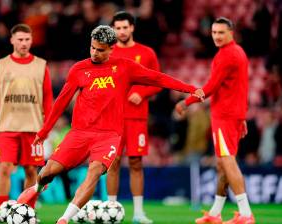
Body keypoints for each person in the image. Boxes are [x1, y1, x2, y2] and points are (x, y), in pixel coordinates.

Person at [16, 25, 204, 224]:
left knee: (94, 172)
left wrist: (190, 89)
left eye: (101, 50)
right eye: (93, 48)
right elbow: (61, 102)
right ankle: (37, 188)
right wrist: (45, 130)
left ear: (111, 49)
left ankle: (64, 219)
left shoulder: (125, 67)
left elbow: (157, 78)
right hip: (79, 132)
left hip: (108, 135)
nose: (95, 53)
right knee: (48, 172)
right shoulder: (79, 69)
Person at [175, 17, 255, 224]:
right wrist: (242, 117)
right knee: (222, 164)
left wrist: (187, 102)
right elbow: (241, 87)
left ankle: (246, 214)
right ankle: (215, 213)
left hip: (225, 115)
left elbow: (210, 87)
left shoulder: (226, 55)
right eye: (214, 32)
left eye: (221, 32)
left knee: (227, 161)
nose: (217, 36)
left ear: (231, 33)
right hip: (233, 114)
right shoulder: (239, 52)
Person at [0, 23, 53, 223]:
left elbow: (48, 98)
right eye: (20, 39)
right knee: (5, 167)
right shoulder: (2, 65)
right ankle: (2, 211)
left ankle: (28, 210)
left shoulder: (41, 65)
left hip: (33, 128)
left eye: (27, 39)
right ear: (12, 40)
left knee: (31, 170)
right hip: (7, 126)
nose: (24, 43)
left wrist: (47, 126)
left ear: (31, 41)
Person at [106, 11, 161, 224]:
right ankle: (111, 211)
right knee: (113, 162)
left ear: (132, 28)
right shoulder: (107, 53)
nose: (121, 32)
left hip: (137, 118)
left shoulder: (146, 53)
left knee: (136, 163)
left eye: (124, 27)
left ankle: (138, 213)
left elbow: (157, 81)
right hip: (113, 119)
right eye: (117, 28)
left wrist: (142, 93)